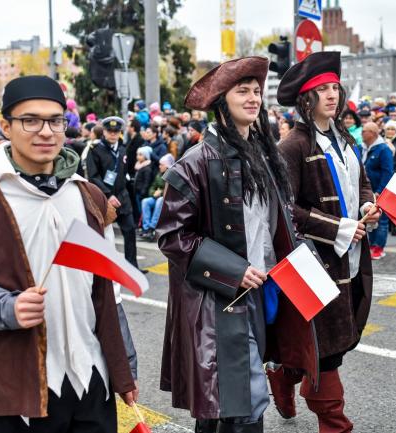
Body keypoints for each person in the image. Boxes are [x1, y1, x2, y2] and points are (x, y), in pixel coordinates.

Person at [0, 75, 137, 433]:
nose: (46, 131)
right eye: (30, 120)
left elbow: (108, 291)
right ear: (6, 127)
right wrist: (6, 308)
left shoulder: (90, 197)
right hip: (8, 387)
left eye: (55, 120)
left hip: (89, 380)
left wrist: (123, 367)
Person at [156, 56, 318, 433]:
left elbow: (278, 223)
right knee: (243, 399)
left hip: (262, 290)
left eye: (257, 91)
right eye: (242, 91)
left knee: (227, 400)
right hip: (217, 300)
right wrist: (233, 271)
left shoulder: (264, 156)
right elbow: (172, 235)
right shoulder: (195, 162)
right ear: (221, 101)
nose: (253, 98)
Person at [273, 51, 379, 433]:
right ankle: (334, 422)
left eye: (335, 87)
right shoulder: (293, 146)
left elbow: (361, 181)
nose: (332, 95)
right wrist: (338, 228)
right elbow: (285, 209)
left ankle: (283, 374)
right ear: (306, 98)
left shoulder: (345, 137)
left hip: (352, 254)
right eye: (322, 89)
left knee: (339, 339)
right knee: (327, 347)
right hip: (315, 261)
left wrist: (367, 203)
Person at [87, 116, 144, 272]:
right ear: (104, 132)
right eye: (109, 131)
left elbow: (125, 173)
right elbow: (93, 176)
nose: (113, 134)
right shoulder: (95, 150)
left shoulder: (122, 149)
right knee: (103, 235)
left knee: (130, 231)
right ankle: (102, 269)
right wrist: (108, 195)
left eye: (116, 131)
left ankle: (132, 267)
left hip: (122, 197)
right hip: (103, 198)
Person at [361, 122, 393, 260]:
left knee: (382, 220)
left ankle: (378, 247)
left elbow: (387, 172)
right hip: (368, 191)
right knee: (370, 218)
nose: (362, 133)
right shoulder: (363, 148)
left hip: (379, 191)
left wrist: (380, 190)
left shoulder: (383, 149)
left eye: (364, 131)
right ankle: (371, 245)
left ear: (373, 133)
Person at [140, 153, 174, 241]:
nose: (159, 166)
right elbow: (152, 187)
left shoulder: (172, 175)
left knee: (160, 200)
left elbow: (171, 191)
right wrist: (154, 193)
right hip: (157, 197)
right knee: (145, 201)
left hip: (167, 199)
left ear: (167, 166)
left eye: (161, 165)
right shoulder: (159, 174)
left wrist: (161, 193)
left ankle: (152, 227)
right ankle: (146, 228)